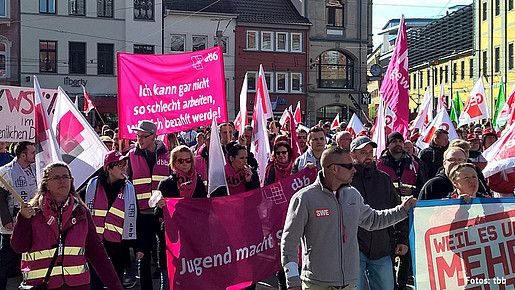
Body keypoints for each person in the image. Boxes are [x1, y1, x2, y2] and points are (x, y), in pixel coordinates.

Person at [281, 147, 417, 289]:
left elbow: (374, 220)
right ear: (334, 169)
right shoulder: (304, 199)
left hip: (349, 284)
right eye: (349, 166)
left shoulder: (353, 195)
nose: (354, 170)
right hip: (317, 284)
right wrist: (292, 281)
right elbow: (289, 242)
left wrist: (402, 210)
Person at [11, 162, 123, 290]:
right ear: (46, 183)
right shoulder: (33, 212)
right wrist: (23, 219)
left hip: (78, 285)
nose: (62, 181)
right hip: (42, 286)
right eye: (56, 178)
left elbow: (97, 252)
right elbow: (18, 247)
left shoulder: (81, 211)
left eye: (65, 177)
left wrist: (115, 286)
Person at [350, 136, 409, 290]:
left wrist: (402, 238)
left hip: (382, 245)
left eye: (370, 152)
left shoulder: (384, 179)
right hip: (355, 248)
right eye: (363, 152)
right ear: (353, 155)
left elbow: (397, 209)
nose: (368, 155)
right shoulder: (346, 180)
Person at [155, 145, 207, 289]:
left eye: (188, 160)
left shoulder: (199, 183)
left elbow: (204, 209)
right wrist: (159, 207)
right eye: (180, 161)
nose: (184, 164)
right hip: (171, 241)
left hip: (192, 241)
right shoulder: (165, 184)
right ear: (173, 163)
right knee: (168, 284)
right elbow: (157, 215)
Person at [85, 150, 138, 289]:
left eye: (125, 164)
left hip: (118, 247)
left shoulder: (129, 189)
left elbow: (135, 218)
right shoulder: (92, 186)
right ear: (109, 168)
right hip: (95, 244)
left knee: (116, 284)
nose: (124, 168)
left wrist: (138, 246)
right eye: (120, 165)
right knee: (95, 284)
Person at [127, 120, 170, 290]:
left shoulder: (168, 155)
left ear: (154, 136)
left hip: (162, 214)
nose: (140, 140)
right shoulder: (131, 156)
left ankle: (164, 287)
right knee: (142, 257)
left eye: (144, 136)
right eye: (138, 136)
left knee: (164, 257)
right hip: (142, 215)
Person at [0, 142, 37, 290]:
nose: (35, 155)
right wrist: (7, 220)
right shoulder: (6, 172)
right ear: (23, 155)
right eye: (32, 152)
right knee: (5, 260)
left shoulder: (36, 169)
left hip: (31, 221)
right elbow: (0, 198)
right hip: (11, 223)